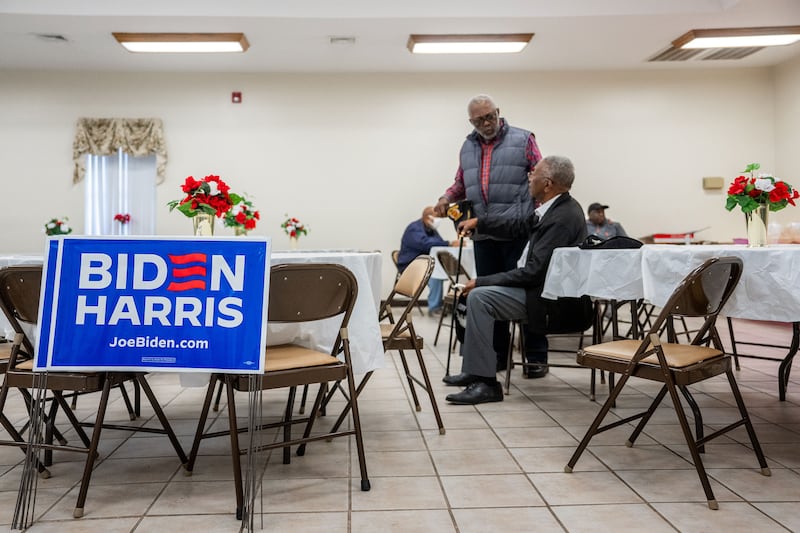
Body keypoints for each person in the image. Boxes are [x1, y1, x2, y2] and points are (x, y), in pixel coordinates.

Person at [443, 155, 587, 405]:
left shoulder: (562, 218)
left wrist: (482, 281)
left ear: (548, 184)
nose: (529, 177)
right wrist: (481, 222)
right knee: (477, 295)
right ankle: (476, 370)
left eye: (534, 174)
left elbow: (534, 272)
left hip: (549, 301)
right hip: (538, 292)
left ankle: (487, 383)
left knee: (479, 297)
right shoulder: (553, 209)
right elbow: (515, 225)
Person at [434, 94, 543, 371]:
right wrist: (446, 198)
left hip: (517, 230)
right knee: (489, 294)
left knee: (526, 294)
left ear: (498, 112)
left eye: (490, 116)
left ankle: (536, 357)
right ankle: (498, 357)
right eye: (479, 119)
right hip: (483, 234)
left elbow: (540, 177)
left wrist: (539, 216)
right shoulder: (467, 146)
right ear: (471, 122)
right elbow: (461, 181)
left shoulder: (523, 139)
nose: (486, 123)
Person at [397, 206, 458, 315]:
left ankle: (453, 304)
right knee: (435, 275)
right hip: (410, 266)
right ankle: (434, 308)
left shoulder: (431, 229)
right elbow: (425, 244)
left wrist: (448, 243)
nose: (438, 220)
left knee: (453, 271)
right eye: (437, 217)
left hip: (423, 265)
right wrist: (449, 243)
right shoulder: (414, 228)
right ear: (427, 218)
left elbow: (438, 242)